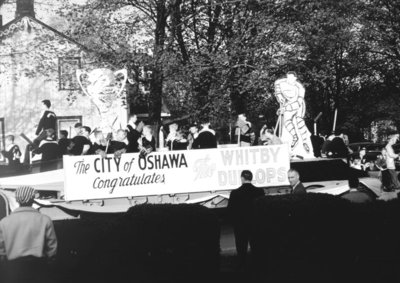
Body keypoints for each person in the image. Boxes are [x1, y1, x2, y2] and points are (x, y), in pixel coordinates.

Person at [0, 186, 57, 283]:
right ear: (32, 199)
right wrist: (49, 263)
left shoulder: (4, 222)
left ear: (17, 200)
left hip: (13, 270)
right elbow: (52, 248)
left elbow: (1, 250)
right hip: (39, 268)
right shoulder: (44, 220)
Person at [227, 170, 264, 269]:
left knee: (241, 248)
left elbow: (230, 210)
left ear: (242, 178)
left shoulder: (234, 193)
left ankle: (242, 266)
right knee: (256, 247)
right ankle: (257, 267)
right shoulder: (259, 191)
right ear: (251, 178)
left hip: (240, 226)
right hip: (254, 225)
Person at [274, 72, 310, 152]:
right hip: (288, 103)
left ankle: (304, 142)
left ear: (295, 78)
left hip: (298, 105)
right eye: (288, 78)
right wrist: (279, 95)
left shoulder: (300, 88)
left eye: (291, 78)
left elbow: (298, 103)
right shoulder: (281, 83)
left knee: (299, 121)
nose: (289, 80)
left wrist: (284, 109)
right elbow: (277, 85)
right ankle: (295, 137)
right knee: (287, 122)